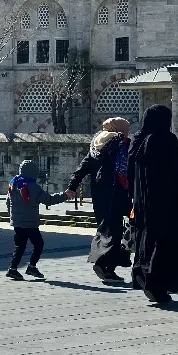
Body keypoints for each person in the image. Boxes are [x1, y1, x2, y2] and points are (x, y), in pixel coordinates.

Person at [126, 104, 178, 304]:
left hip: (143, 202)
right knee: (167, 241)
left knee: (146, 239)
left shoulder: (137, 141)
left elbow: (130, 174)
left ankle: (142, 275)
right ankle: (156, 284)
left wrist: (134, 198)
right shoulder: (166, 139)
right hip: (167, 202)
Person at [67, 117, 133, 283]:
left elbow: (83, 167)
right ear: (118, 129)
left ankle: (108, 268)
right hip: (116, 192)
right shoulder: (117, 143)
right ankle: (103, 265)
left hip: (100, 195)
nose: (128, 133)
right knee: (115, 231)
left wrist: (72, 186)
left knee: (108, 229)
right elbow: (126, 166)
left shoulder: (96, 145)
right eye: (126, 129)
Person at [5, 159, 70, 280]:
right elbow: (49, 200)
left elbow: (8, 202)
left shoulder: (13, 183)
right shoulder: (33, 187)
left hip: (17, 222)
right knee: (38, 244)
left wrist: (13, 216)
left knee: (20, 246)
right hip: (30, 223)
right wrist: (65, 195)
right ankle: (31, 266)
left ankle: (13, 269)